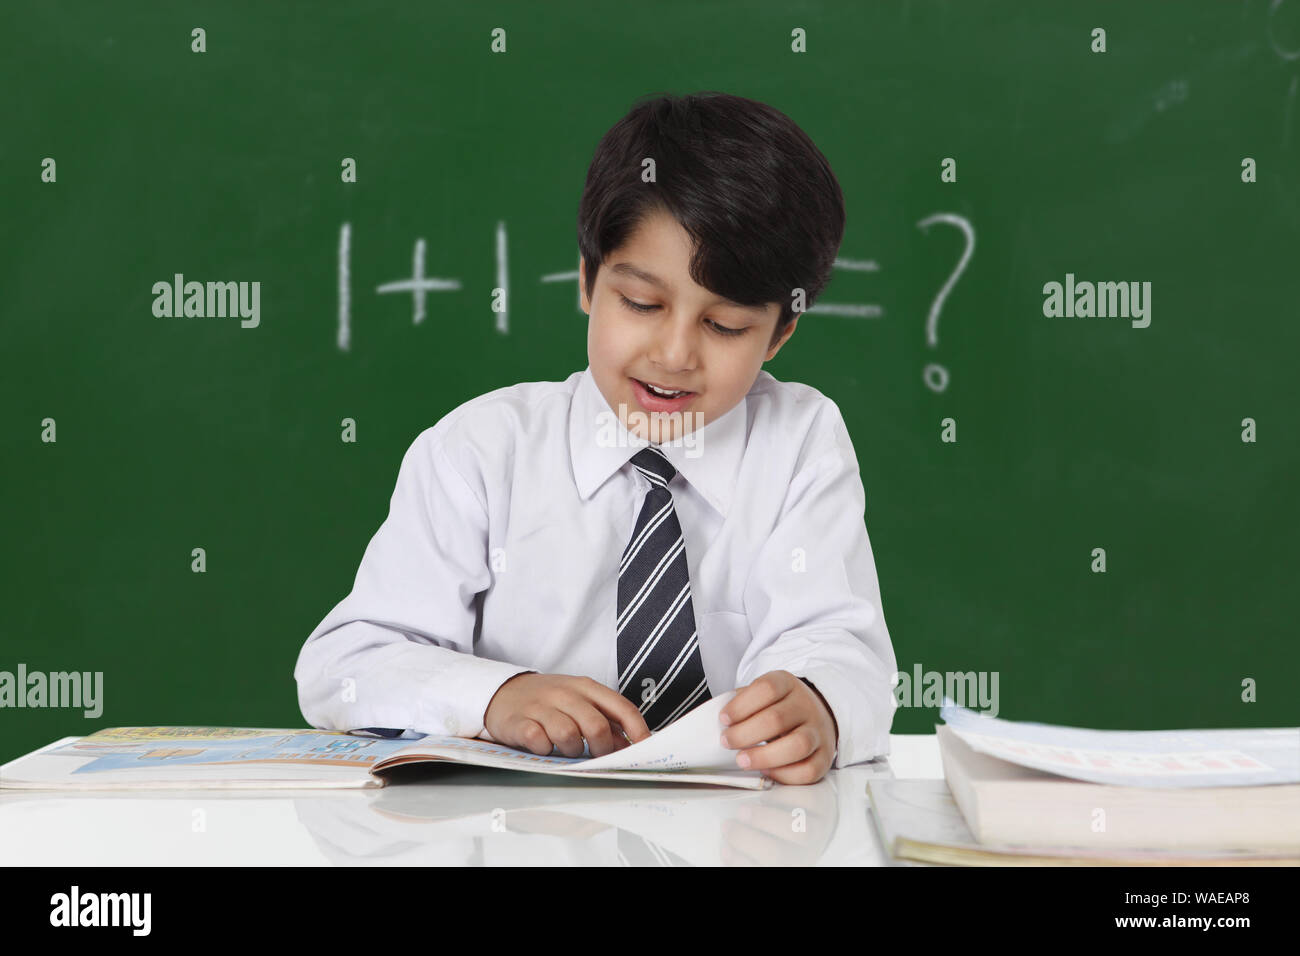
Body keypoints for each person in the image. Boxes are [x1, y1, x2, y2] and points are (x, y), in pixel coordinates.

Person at [295, 91, 897, 785]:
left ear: (779, 334)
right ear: (586, 281)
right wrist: (494, 697)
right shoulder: (481, 451)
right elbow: (345, 664)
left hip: (737, 838)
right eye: (641, 304)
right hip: (515, 835)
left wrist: (819, 706)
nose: (674, 354)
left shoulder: (799, 441)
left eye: (725, 326)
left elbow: (841, 647)